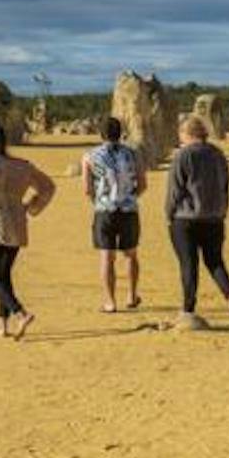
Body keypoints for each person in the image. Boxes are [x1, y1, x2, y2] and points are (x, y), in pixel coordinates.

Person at [0, 116, 55, 339]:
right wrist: (30, 205)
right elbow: (48, 187)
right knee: (4, 273)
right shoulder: (23, 166)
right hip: (18, 223)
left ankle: (20, 313)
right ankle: (1, 323)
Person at [164, 115, 229, 323]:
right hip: (214, 217)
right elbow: (225, 184)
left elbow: (175, 189)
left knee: (189, 264)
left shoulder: (184, 155)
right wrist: (222, 210)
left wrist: (169, 214)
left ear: (187, 134)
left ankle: (188, 309)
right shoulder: (218, 154)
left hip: (186, 217)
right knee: (215, 261)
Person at [82, 116, 145, 313]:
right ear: (120, 133)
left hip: (104, 210)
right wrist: (130, 197)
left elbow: (86, 188)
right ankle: (132, 295)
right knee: (130, 254)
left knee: (106, 257)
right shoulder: (133, 154)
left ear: (101, 134)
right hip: (128, 210)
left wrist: (98, 201)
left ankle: (110, 302)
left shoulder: (89, 156)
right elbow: (142, 184)